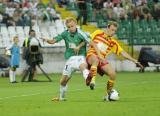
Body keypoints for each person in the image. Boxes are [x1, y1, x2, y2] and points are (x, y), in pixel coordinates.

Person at [43, 17, 101, 101]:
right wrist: (47, 40)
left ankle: (89, 79)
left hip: (80, 57)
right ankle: (62, 98)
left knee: (82, 66)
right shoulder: (65, 34)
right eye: (68, 27)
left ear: (76, 24)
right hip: (69, 60)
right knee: (62, 81)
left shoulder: (81, 33)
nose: (70, 28)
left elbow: (92, 43)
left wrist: (99, 55)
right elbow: (53, 41)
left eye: (72, 26)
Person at [86, 21, 143, 100]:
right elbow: (89, 40)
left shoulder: (113, 42)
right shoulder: (98, 33)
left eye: (115, 31)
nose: (113, 32)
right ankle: (93, 81)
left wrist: (133, 60)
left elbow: (122, 53)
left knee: (113, 74)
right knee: (95, 60)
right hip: (91, 55)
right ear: (108, 27)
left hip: (102, 59)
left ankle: (107, 95)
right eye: (112, 30)